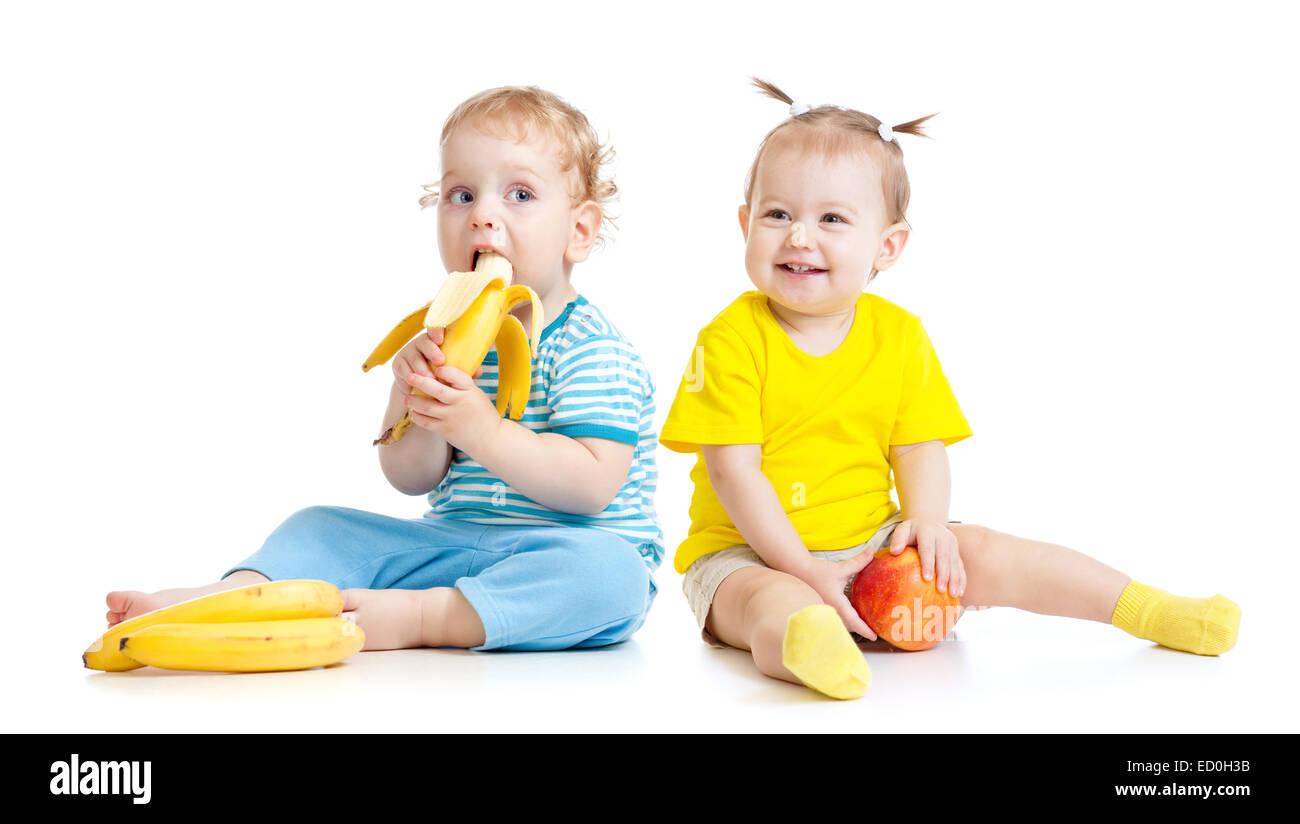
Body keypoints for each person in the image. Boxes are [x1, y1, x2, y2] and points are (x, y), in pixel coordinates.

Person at [658, 78, 1240, 700]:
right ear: (745, 223)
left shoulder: (900, 336)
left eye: (832, 218)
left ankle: (1149, 609)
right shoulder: (731, 339)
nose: (800, 236)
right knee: (765, 601)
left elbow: (917, 448)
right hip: (748, 553)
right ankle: (811, 648)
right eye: (778, 215)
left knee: (980, 549)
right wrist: (803, 569)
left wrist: (926, 525)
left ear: (888, 246)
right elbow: (734, 474)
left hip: (872, 541)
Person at [104, 86, 661, 652]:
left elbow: (592, 487)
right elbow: (411, 477)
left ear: (579, 231)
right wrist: (410, 399)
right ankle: (232, 600)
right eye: (461, 195)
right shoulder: (445, 335)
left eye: (519, 193)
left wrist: (483, 431)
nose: (482, 216)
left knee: (612, 577)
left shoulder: (591, 348)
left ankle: (425, 618)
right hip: (448, 544)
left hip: (558, 554)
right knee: (317, 525)